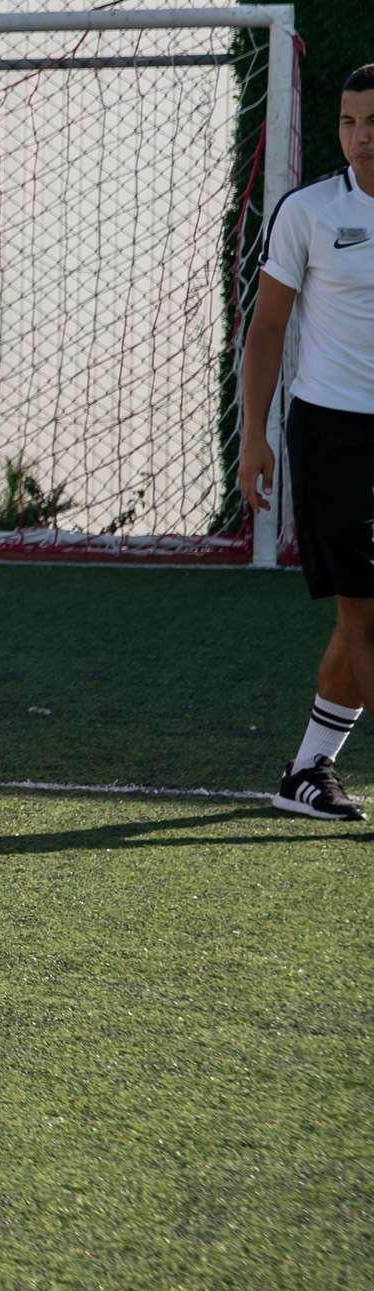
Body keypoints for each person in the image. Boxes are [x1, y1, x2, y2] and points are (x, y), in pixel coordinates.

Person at [236, 62, 374, 820]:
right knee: (366, 615)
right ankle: (310, 767)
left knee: (363, 619)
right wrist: (253, 436)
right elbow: (267, 327)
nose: (360, 138)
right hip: (333, 436)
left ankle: (308, 768)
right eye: (349, 122)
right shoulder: (310, 211)